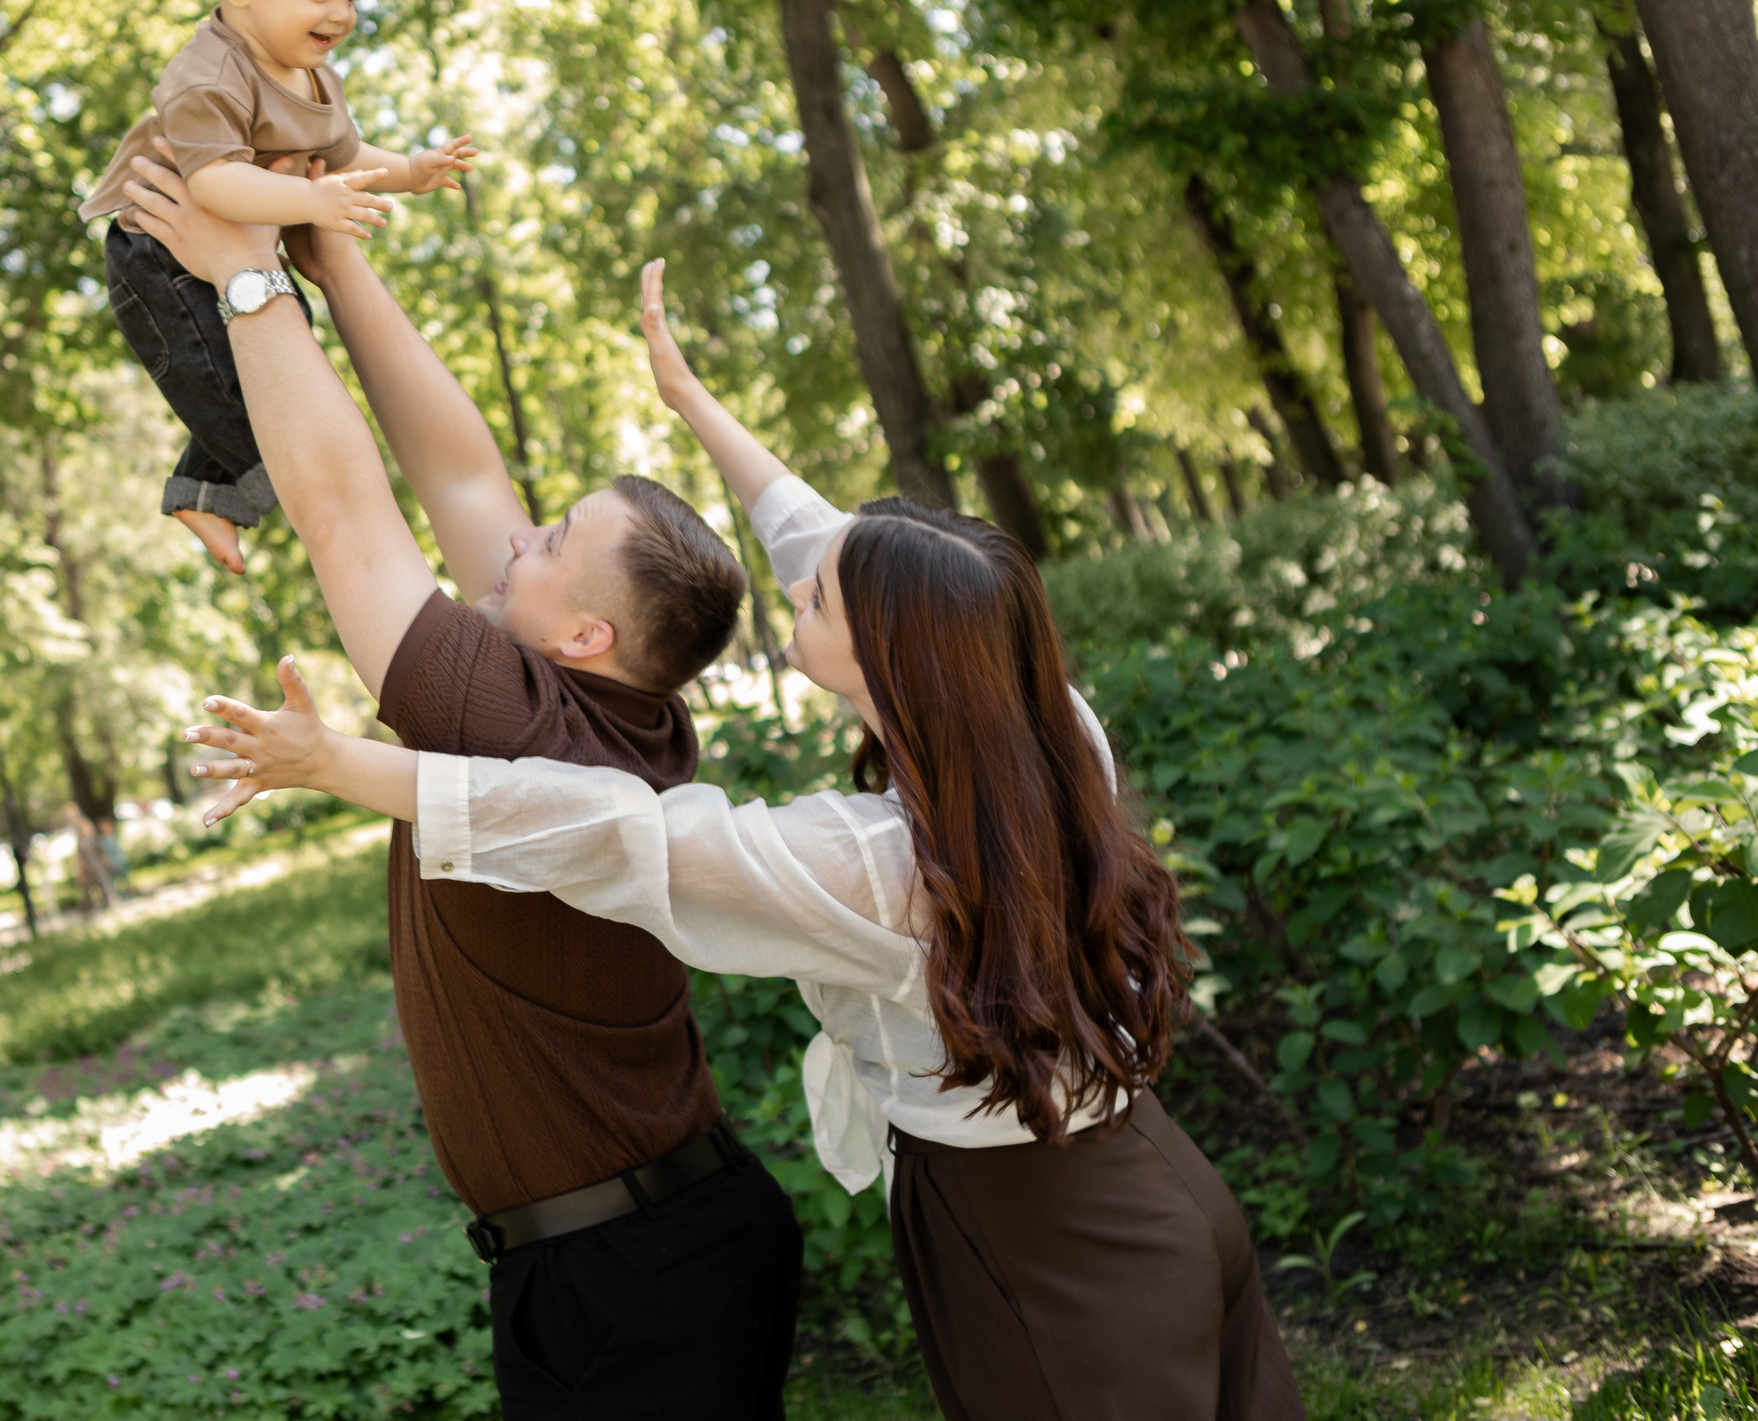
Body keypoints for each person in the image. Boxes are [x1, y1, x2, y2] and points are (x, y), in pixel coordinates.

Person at [181, 262, 1308, 1420]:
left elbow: (620, 840)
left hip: (1052, 1247)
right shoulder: (1046, 730)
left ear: (893, 667)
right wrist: (689, 400)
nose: (798, 583)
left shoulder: (877, 865)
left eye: (818, 601)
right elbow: (833, 542)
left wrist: (336, 766)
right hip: (1157, 1188)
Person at [120, 163, 803, 1419]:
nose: (516, 538)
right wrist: (336, 255)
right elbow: (460, 470)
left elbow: (344, 516)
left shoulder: (522, 731)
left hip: (635, 1272)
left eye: (549, 545)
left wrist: (247, 278)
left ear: (587, 634)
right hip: (627, 1249)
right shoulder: (620, 712)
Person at [78, 0, 476, 575]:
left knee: (285, 352)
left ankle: (204, 490)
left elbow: (342, 150)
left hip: (238, 249)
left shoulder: (311, 70)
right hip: (160, 255)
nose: (343, 14)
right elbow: (217, 185)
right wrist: (308, 199)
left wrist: (411, 172)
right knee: (248, 393)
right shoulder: (210, 73)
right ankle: (279, 495)